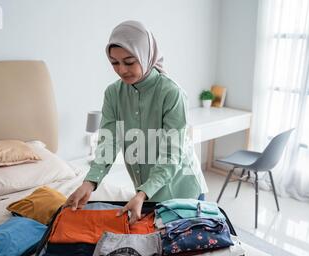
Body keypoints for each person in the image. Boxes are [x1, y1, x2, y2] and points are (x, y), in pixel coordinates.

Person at [64, 20, 208, 224]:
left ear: (146, 55)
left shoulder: (171, 93)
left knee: (184, 254)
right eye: (114, 63)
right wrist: (89, 183)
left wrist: (141, 194)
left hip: (183, 191)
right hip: (145, 195)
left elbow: (171, 155)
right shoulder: (113, 93)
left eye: (129, 62)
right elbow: (108, 142)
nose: (122, 70)